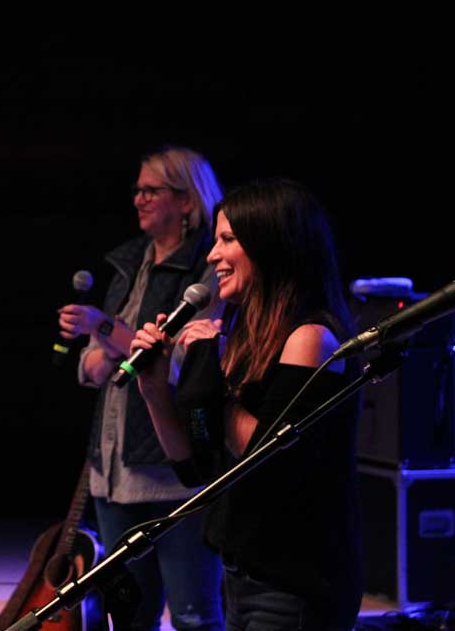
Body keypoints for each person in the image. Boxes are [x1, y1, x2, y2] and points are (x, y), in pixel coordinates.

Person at [132, 178, 361, 631]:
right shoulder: (244, 337)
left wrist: (211, 376)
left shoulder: (311, 339)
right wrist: (156, 391)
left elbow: (265, 458)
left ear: (272, 244)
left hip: (293, 583)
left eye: (227, 240)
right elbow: (197, 470)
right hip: (243, 576)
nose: (212, 255)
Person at [58, 144, 225, 631]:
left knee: (194, 614)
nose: (138, 200)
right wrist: (105, 345)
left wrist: (106, 330)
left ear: (188, 201)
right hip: (112, 470)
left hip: (170, 475)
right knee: (127, 614)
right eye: (137, 190)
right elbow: (91, 364)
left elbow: (180, 363)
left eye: (151, 191)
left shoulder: (206, 272)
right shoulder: (131, 263)